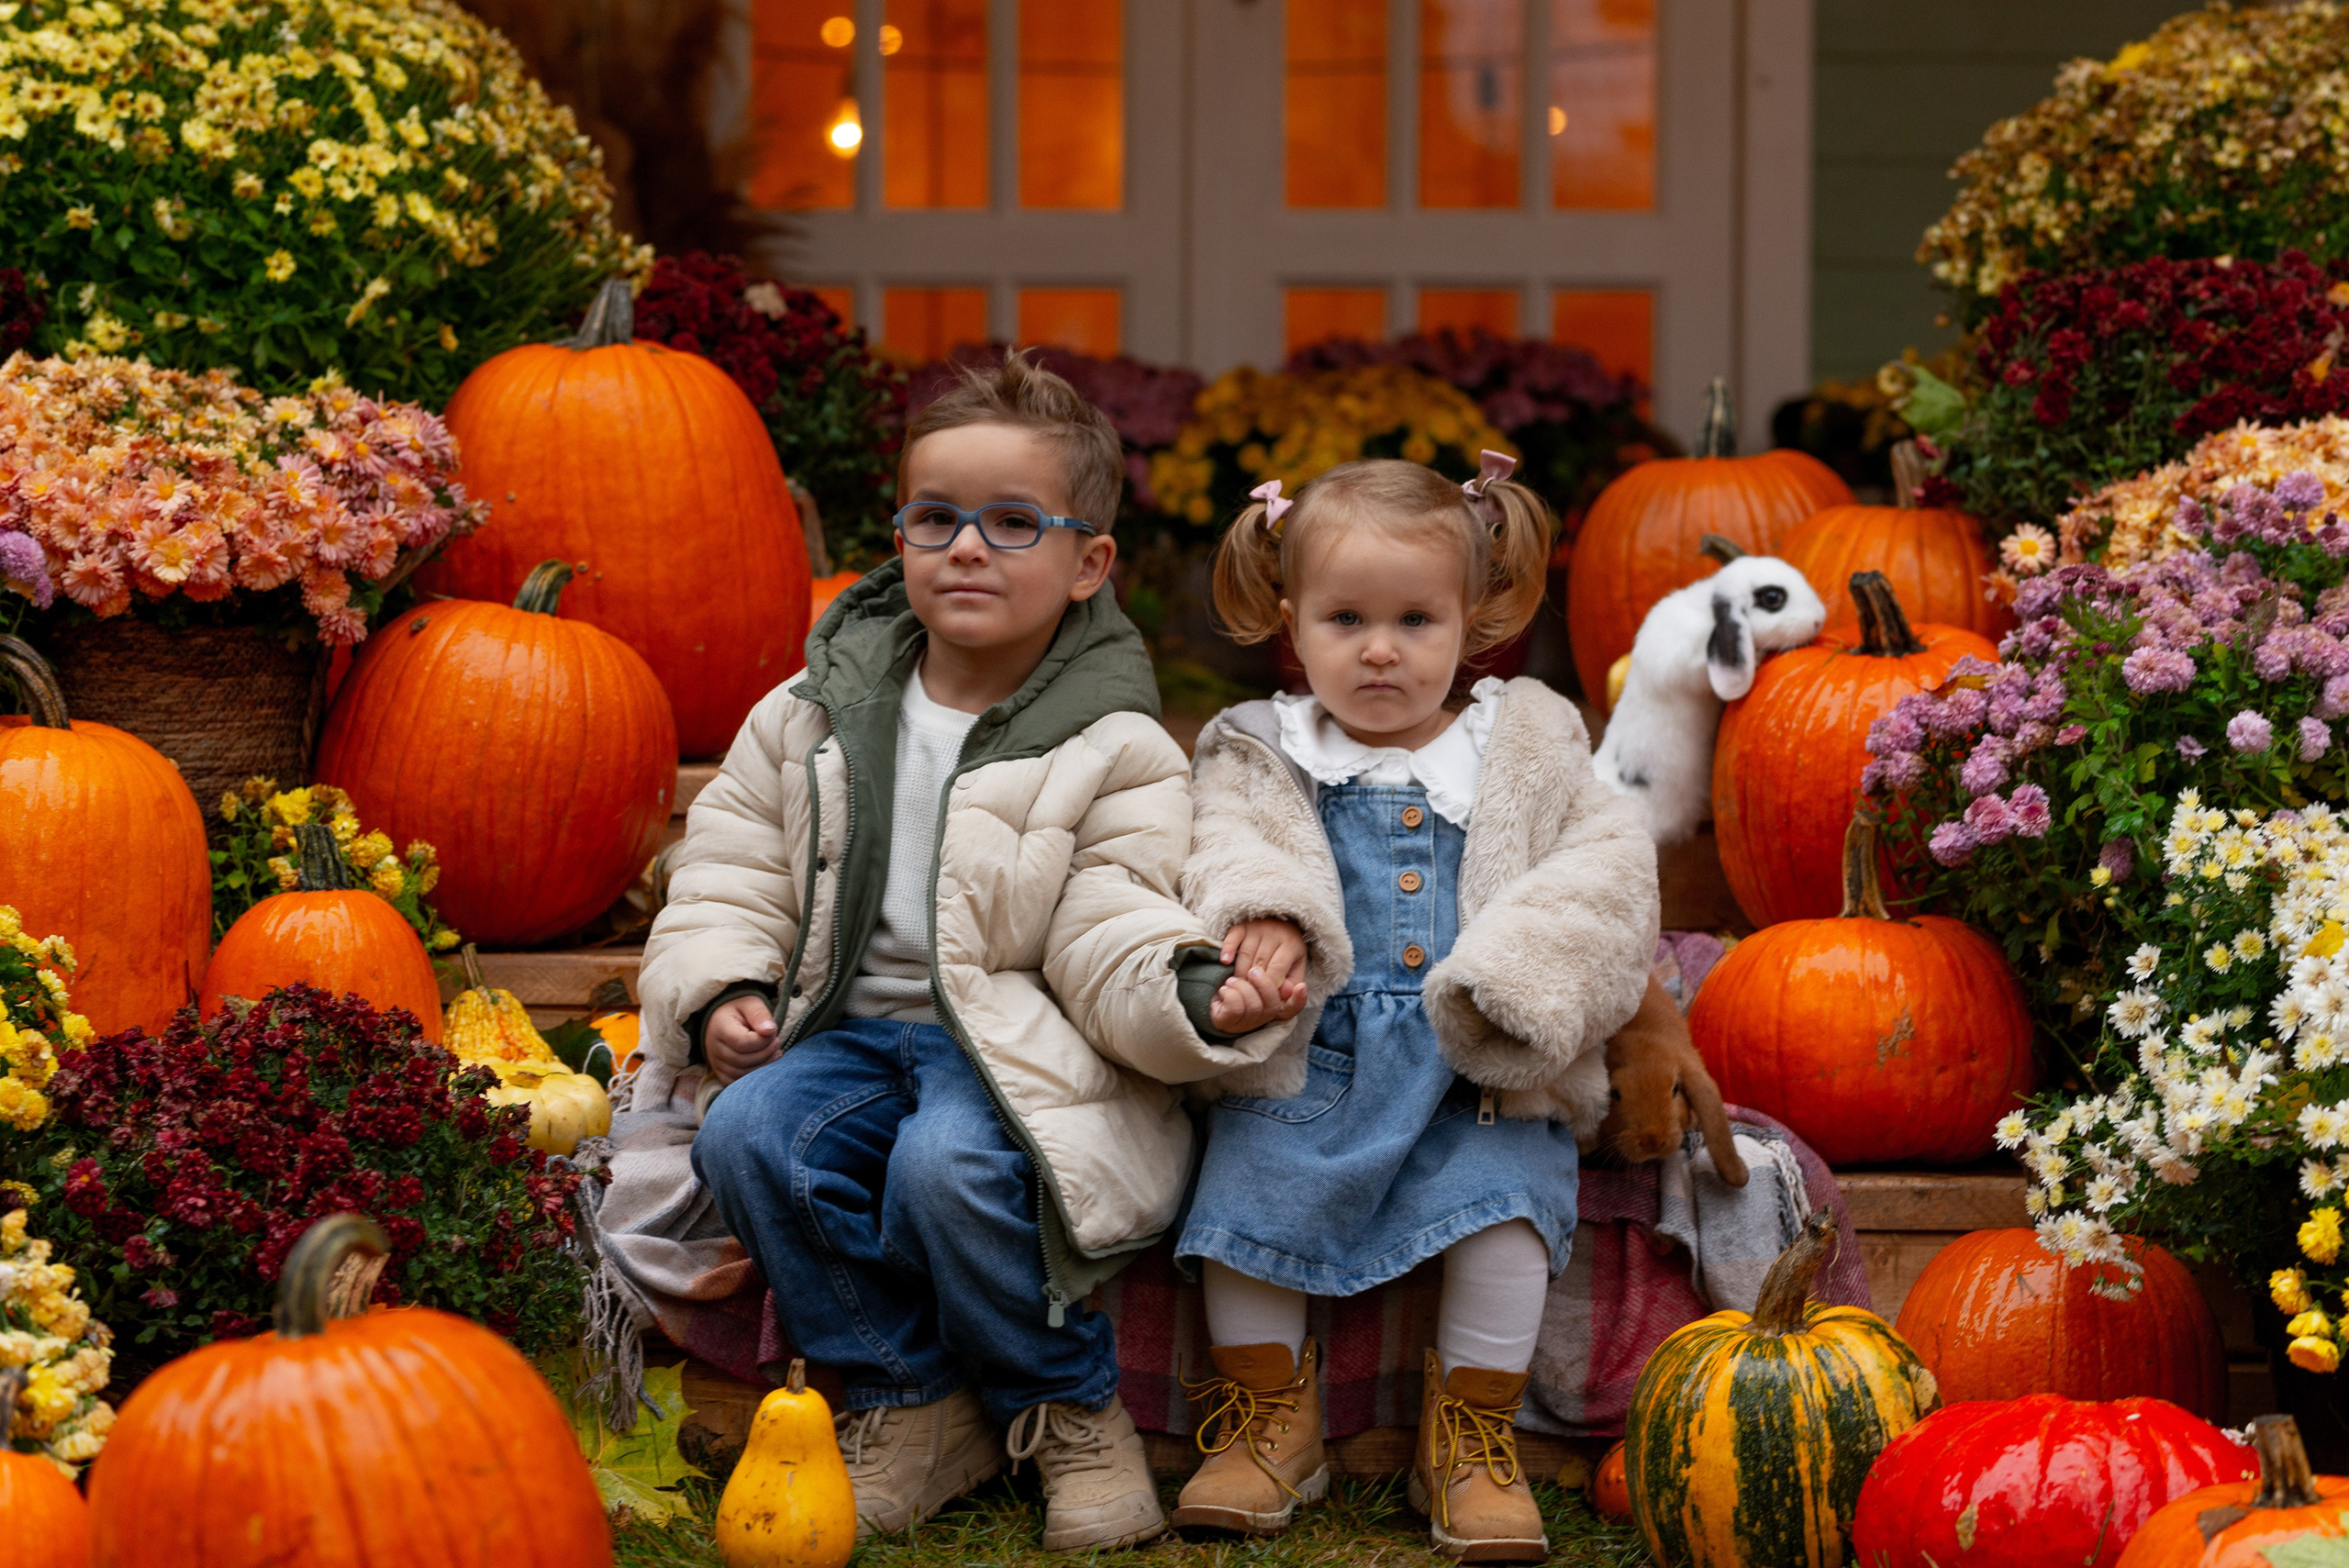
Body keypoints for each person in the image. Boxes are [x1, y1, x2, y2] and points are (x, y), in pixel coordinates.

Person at [643, 354, 1304, 1551]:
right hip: (847, 1033)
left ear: (1088, 561)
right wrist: (725, 984)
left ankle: (1067, 1406)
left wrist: (1196, 993)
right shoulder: (814, 707)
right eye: (936, 518)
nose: (966, 549)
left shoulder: (1114, 745)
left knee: (945, 1167)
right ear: (897, 533)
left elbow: (1115, 915)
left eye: (1012, 524)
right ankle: (904, 1393)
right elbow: (731, 862)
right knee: (748, 1135)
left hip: (1012, 1042)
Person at [1170, 455, 1659, 1562]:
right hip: (1315, 1058)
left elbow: (1608, 871)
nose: (1379, 648)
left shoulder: (1525, 747)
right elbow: (1217, 841)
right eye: (1344, 617)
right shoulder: (1263, 748)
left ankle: (1473, 1432)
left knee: (1503, 1215)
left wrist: (1523, 970)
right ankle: (1270, 1420)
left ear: (1474, 618)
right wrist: (1267, 911)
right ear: (1290, 621)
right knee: (1248, 1198)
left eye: (1412, 618)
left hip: (1470, 1064)